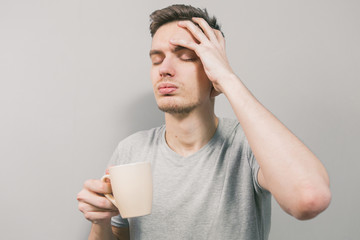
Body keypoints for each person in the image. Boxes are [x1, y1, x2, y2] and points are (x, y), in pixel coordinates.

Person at [77, 4, 331, 240]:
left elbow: (309, 198)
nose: (164, 68)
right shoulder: (131, 150)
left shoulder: (248, 146)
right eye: (156, 59)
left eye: (186, 56)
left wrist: (227, 78)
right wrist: (100, 221)